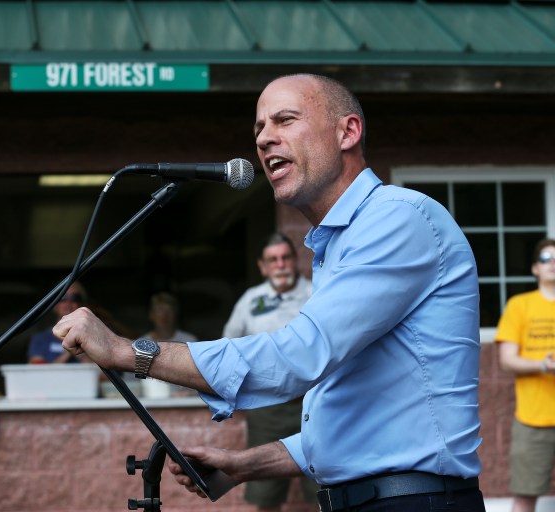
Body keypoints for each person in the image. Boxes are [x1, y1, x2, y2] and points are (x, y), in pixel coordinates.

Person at [53, 73, 486, 512]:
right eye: (259, 128)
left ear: (347, 132)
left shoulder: (397, 220)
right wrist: (244, 464)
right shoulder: (338, 245)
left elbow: (295, 358)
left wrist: (131, 353)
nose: (263, 140)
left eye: (284, 120)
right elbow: (360, 426)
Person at [223, 232, 316, 512]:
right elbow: (228, 345)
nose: (280, 264)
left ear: (296, 261)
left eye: (285, 257)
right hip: (266, 407)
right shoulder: (251, 300)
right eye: (272, 260)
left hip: (315, 404)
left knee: (322, 490)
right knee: (265, 493)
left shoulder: (316, 293)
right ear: (262, 267)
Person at [496, 238, 555, 512]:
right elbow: (507, 360)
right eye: (545, 258)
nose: (552, 263)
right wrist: (544, 365)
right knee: (524, 499)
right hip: (532, 420)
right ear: (535, 268)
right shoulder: (520, 305)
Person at [28, 282, 88, 364]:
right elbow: (36, 373)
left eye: (74, 298)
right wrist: (69, 352)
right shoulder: (41, 339)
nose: (68, 303)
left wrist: (80, 354)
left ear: (82, 304)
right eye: (63, 297)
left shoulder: (91, 337)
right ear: (54, 304)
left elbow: (103, 374)